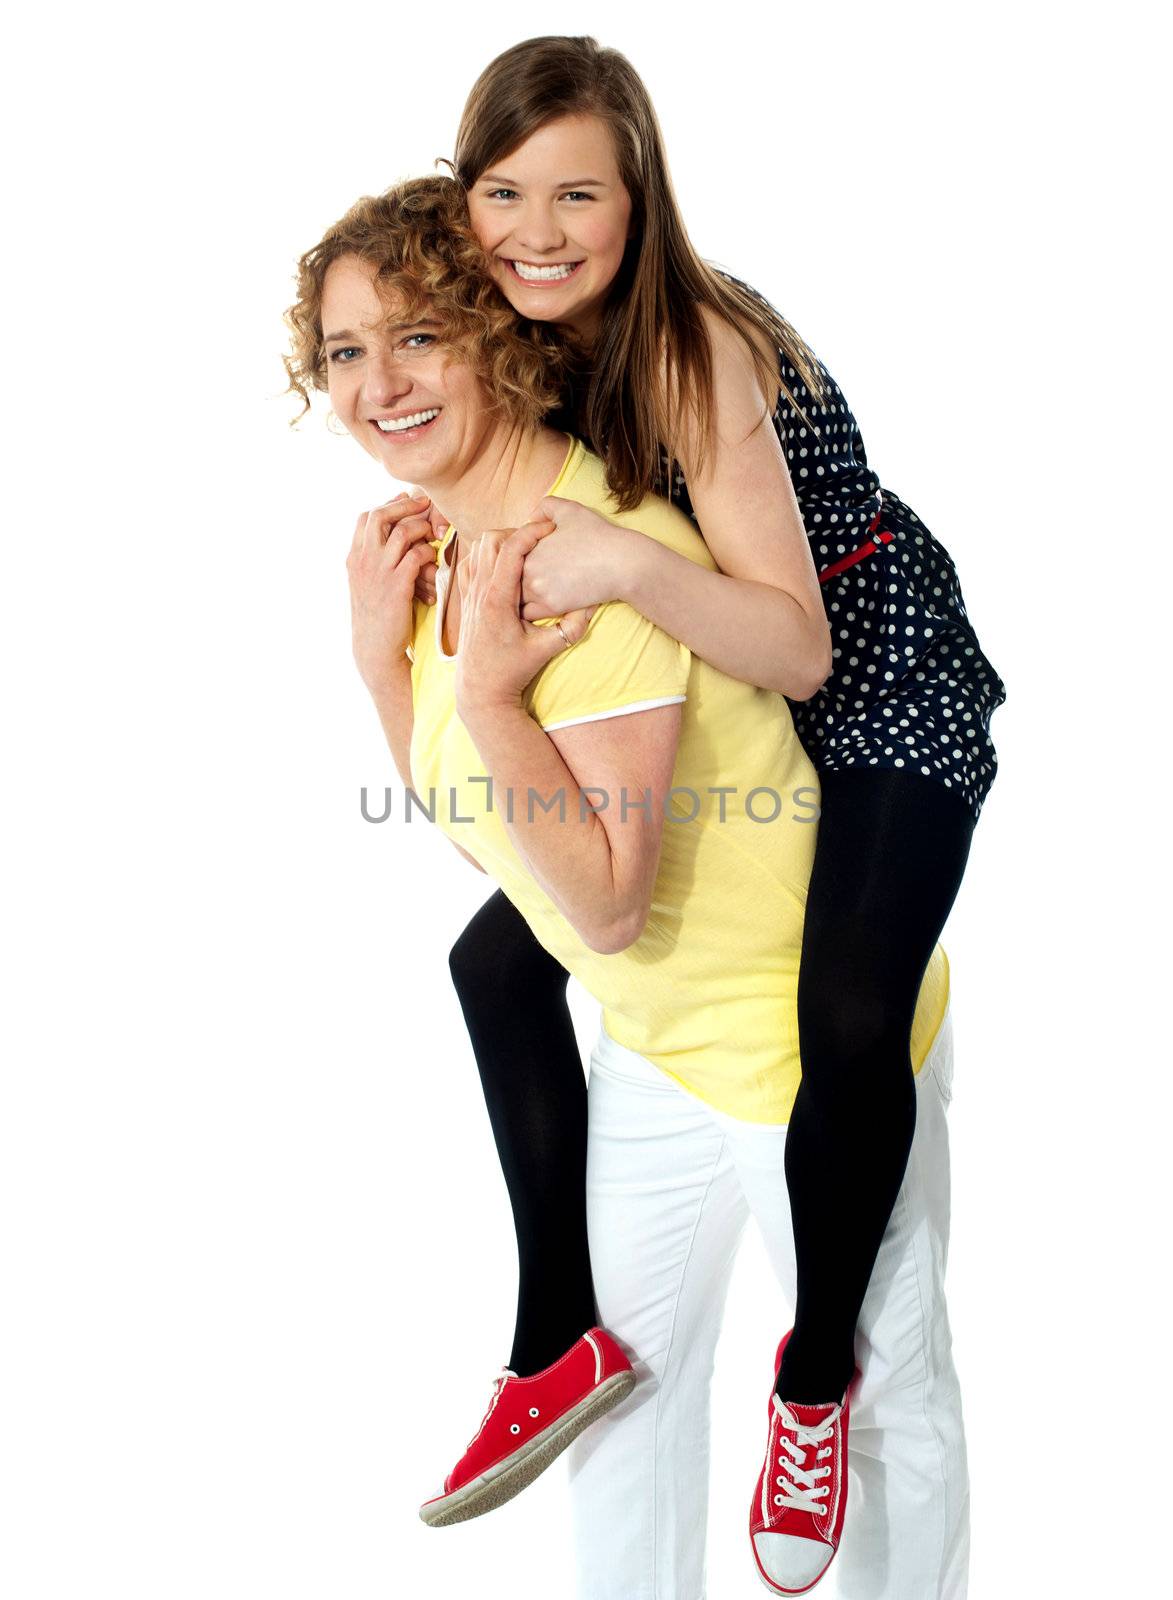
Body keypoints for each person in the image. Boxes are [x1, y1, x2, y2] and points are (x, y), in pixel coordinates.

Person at [284, 175, 970, 1599]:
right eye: (345, 351)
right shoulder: (441, 554)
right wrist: (380, 658)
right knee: (626, 1404)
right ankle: (554, 1342)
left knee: (883, 1392)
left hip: (800, 1051)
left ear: (495, 335)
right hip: (655, 1047)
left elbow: (595, 899)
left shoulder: (589, 556)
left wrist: (482, 691)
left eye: (416, 337)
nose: (377, 386)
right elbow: (502, 856)